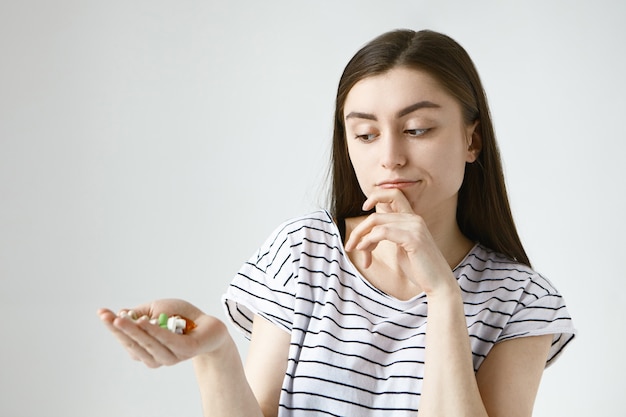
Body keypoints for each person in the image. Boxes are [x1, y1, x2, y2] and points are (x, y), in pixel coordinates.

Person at [98, 29, 576, 417]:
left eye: (417, 130)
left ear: (472, 141)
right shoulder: (302, 251)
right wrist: (215, 353)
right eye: (366, 134)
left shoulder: (521, 301)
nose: (389, 157)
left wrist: (443, 294)